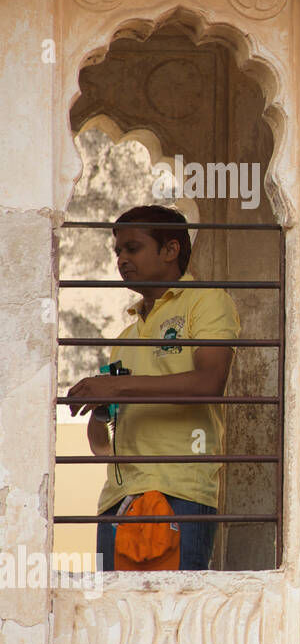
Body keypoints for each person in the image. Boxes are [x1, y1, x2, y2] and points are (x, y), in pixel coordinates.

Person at [67, 205, 240, 571]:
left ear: (170, 250)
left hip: (179, 491)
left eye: (132, 248)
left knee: (174, 619)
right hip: (117, 500)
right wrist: (100, 408)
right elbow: (101, 447)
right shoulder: (126, 337)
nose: (122, 260)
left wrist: (117, 388)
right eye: (118, 252)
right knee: (115, 623)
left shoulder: (207, 301)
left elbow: (209, 383)